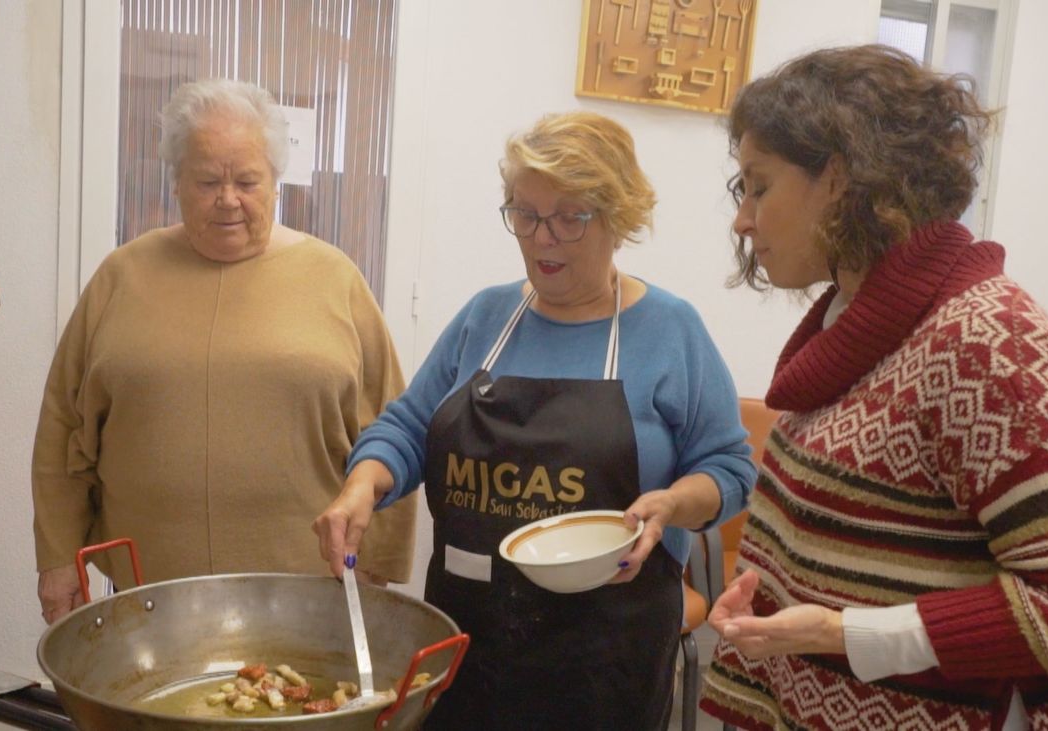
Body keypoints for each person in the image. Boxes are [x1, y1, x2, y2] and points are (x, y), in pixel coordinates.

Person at [701, 45, 1048, 730]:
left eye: (758, 186)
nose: (743, 218)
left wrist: (846, 633)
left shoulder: (990, 344)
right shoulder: (854, 324)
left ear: (841, 179)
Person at [314, 111, 756, 730]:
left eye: (569, 217)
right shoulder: (485, 318)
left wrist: (676, 504)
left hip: (607, 657)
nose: (541, 237)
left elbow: (729, 466)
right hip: (467, 641)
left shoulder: (670, 331)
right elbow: (410, 427)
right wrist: (363, 485)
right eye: (524, 214)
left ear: (618, 219)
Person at [32, 79, 416, 623]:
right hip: (147, 600)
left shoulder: (336, 279)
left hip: (308, 598)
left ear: (277, 183)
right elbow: (61, 431)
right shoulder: (122, 277)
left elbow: (392, 429)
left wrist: (379, 570)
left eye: (248, 181)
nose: (228, 199)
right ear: (177, 183)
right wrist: (57, 560)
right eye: (208, 180)